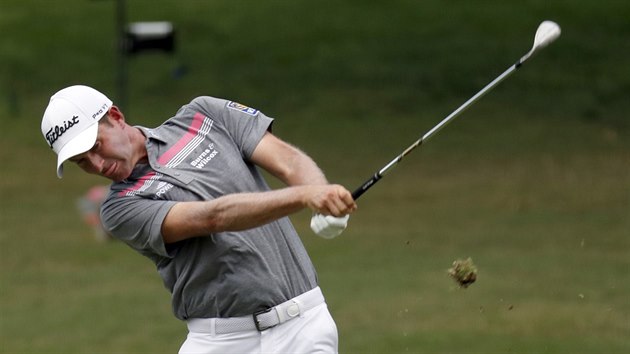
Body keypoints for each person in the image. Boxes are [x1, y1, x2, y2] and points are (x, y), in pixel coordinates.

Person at [41, 85, 357, 353]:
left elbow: (289, 161)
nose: (97, 165)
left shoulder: (204, 116)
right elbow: (213, 217)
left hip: (302, 326)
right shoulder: (119, 208)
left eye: (96, 146)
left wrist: (320, 193)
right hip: (222, 341)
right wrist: (304, 196)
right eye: (82, 162)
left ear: (115, 117)